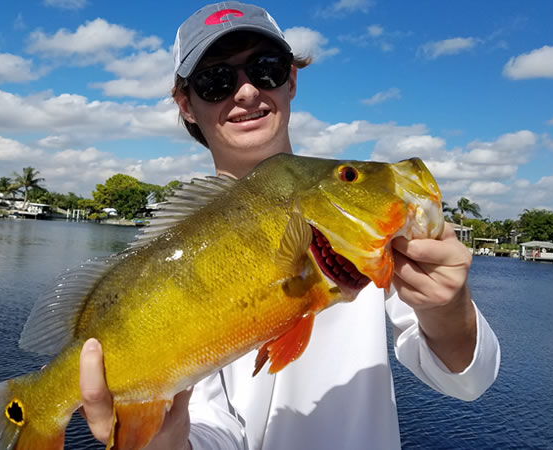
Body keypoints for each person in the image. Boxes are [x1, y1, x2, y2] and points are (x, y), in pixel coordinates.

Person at [77, 2, 501, 449]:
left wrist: (448, 309)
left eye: (265, 69)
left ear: (291, 80)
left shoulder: (354, 218)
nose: (244, 93)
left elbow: (467, 381)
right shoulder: (176, 251)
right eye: (216, 80)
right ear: (186, 103)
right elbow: (210, 431)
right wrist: (166, 440)